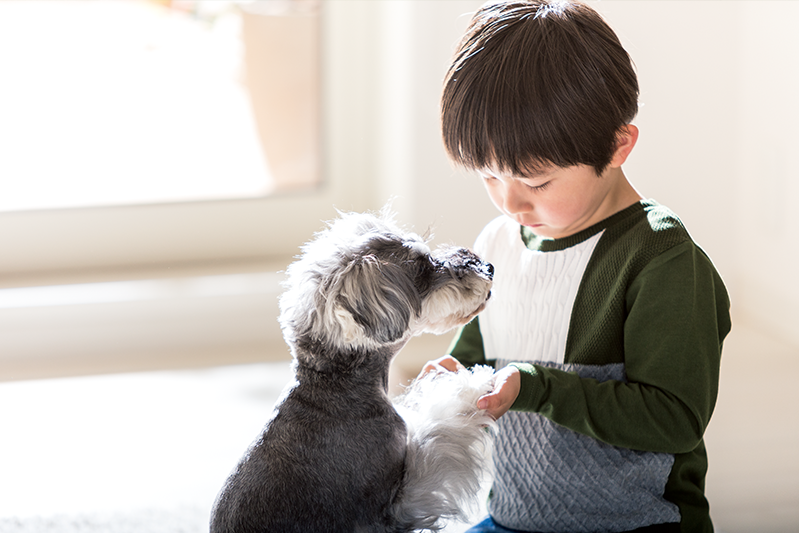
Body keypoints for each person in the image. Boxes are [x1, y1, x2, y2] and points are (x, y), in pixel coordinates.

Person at [423, 1, 732, 532]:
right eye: (489, 176)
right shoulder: (498, 242)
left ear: (617, 146)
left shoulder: (663, 262)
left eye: (536, 182)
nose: (510, 204)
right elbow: (482, 351)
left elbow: (674, 419)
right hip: (514, 517)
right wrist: (457, 374)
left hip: (636, 521)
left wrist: (539, 387)